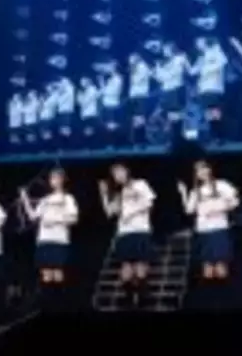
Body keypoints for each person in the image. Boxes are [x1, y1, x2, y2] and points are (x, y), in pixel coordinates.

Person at [98, 163, 155, 309]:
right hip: (124, 233)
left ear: (127, 171)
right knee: (126, 273)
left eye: (120, 172)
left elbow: (149, 203)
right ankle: (129, 300)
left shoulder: (140, 184)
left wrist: (132, 213)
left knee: (141, 270)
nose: (118, 176)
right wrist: (104, 195)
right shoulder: (118, 193)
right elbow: (109, 213)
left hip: (141, 230)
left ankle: (143, 300)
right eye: (115, 174)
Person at [20, 168, 78, 307]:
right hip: (44, 240)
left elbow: (74, 219)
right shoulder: (45, 200)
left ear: (63, 180)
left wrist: (55, 221)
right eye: (52, 178)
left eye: (57, 177)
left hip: (59, 240)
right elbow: (33, 216)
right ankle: (47, 306)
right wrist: (24, 198)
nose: (54, 180)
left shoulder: (68, 198)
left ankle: (60, 306)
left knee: (57, 273)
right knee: (45, 275)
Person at [178, 161, 238, 282]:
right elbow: (189, 210)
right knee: (207, 271)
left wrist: (220, 208)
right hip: (203, 231)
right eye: (198, 171)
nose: (202, 172)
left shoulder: (222, 185)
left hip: (219, 229)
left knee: (221, 270)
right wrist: (183, 193)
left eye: (204, 168)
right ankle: (209, 292)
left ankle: (224, 292)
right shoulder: (196, 191)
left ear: (210, 169)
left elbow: (235, 201)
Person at [188, 38, 228, 143]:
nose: (197, 44)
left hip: (214, 86)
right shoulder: (201, 58)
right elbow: (192, 71)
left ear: (205, 42)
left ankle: (220, 136)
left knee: (215, 111)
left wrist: (208, 71)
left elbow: (223, 62)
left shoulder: (216, 51)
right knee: (208, 112)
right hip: (204, 88)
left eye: (199, 42)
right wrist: (185, 62)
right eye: (197, 43)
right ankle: (214, 136)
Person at [154, 43, 189, 123]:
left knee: (176, 115)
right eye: (164, 50)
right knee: (172, 116)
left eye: (166, 49)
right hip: (167, 91)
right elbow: (160, 79)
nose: (164, 51)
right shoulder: (161, 62)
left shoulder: (179, 59)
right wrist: (157, 70)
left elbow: (176, 72)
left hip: (176, 89)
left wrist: (162, 72)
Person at [128, 53, 153, 145]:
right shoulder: (134, 69)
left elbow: (138, 80)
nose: (130, 63)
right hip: (134, 95)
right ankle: (136, 138)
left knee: (140, 117)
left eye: (132, 60)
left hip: (140, 95)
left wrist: (133, 70)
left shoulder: (142, 67)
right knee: (136, 117)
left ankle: (140, 137)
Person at [98, 61, 123, 138]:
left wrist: (101, 82)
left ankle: (114, 138)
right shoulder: (111, 79)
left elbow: (110, 92)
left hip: (112, 103)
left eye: (110, 67)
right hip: (107, 103)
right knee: (108, 124)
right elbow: (104, 90)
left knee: (111, 124)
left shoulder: (117, 79)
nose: (108, 69)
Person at [77, 77, 101, 142]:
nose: (82, 83)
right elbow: (79, 102)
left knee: (90, 131)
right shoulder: (81, 92)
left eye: (83, 81)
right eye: (81, 82)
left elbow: (84, 102)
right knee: (86, 131)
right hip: (84, 114)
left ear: (88, 82)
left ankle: (92, 144)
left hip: (91, 113)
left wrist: (81, 97)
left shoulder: (92, 89)